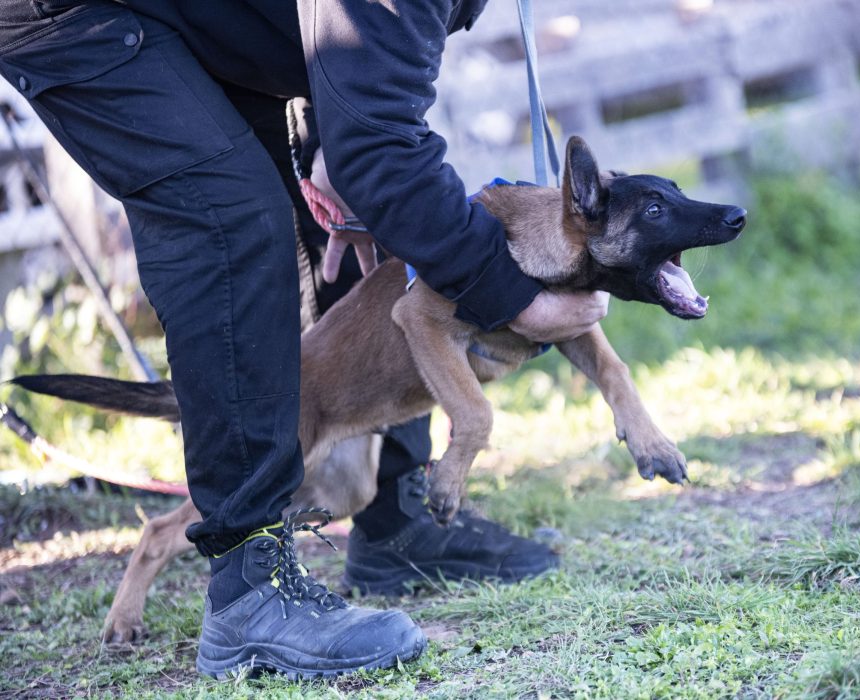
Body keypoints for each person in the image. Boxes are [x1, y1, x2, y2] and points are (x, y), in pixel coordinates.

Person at [0, 0, 609, 679]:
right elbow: (381, 132)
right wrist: (515, 298)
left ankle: (393, 511)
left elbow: (347, 55)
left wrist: (326, 140)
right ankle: (251, 589)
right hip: (77, 14)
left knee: (359, 207)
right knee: (231, 219)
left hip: (202, 18)